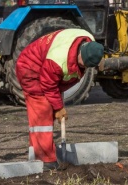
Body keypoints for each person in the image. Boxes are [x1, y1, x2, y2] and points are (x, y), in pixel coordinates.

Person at [15, 28, 104, 171]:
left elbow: (57, 81)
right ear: (81, 52)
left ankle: (36, 151)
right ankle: (46, 160)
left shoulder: (89, 40)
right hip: (30, 68)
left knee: (45, 116)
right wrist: (58, 107)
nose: (84, 67)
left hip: (46, 69)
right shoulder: (57, 60)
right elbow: (48, 85)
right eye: (83, 64)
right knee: (42, 113)